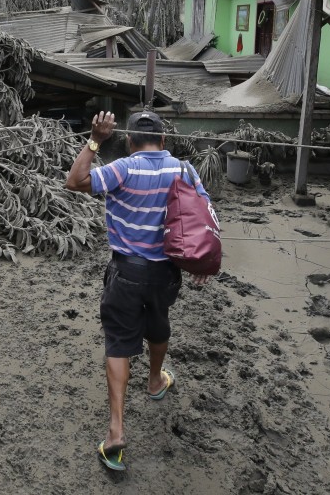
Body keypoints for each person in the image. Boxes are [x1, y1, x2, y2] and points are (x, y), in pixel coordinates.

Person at [65, 109, 213, 472]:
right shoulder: (184, 169)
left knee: (118, 341)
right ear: (163, 141)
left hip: (126, 273)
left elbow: (75, 180)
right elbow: (203, 215)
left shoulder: (123, 168)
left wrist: (96, 140)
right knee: (158, 322)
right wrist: (202, 262)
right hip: (167, 274)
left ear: (130, 142)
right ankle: (155, 380)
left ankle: (115, 434)